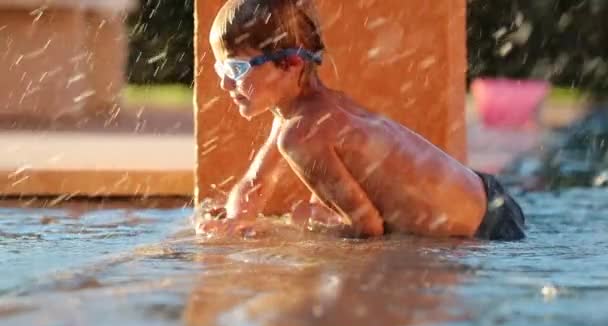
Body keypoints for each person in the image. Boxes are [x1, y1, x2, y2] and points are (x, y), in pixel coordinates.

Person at [199, 0, 526, 241]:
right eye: (221, 70)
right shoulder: (312, 110)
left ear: (292, 63)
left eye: (237, 70)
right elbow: (254, 185)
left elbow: (366, 228)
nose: (226, 84)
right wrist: (234, 219)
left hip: (483, 232)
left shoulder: (301, 134)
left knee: (308, 221)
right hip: (486, 194)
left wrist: (310, 231)